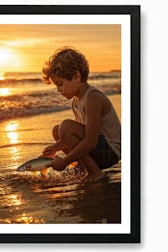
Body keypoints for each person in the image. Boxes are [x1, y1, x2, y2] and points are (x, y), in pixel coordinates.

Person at [42, 47, 121, 179]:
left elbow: (90, 141)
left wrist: (64, 162)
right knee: (58, 130)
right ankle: (83, 167)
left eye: (60, 84)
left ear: (76, 76)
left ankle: (95, 172)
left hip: (110, 152)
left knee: (66, 127)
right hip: (99, 148)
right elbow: (76, 136)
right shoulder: (76, 102)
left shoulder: (93, 98)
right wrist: (55, 147)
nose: (58, 90)